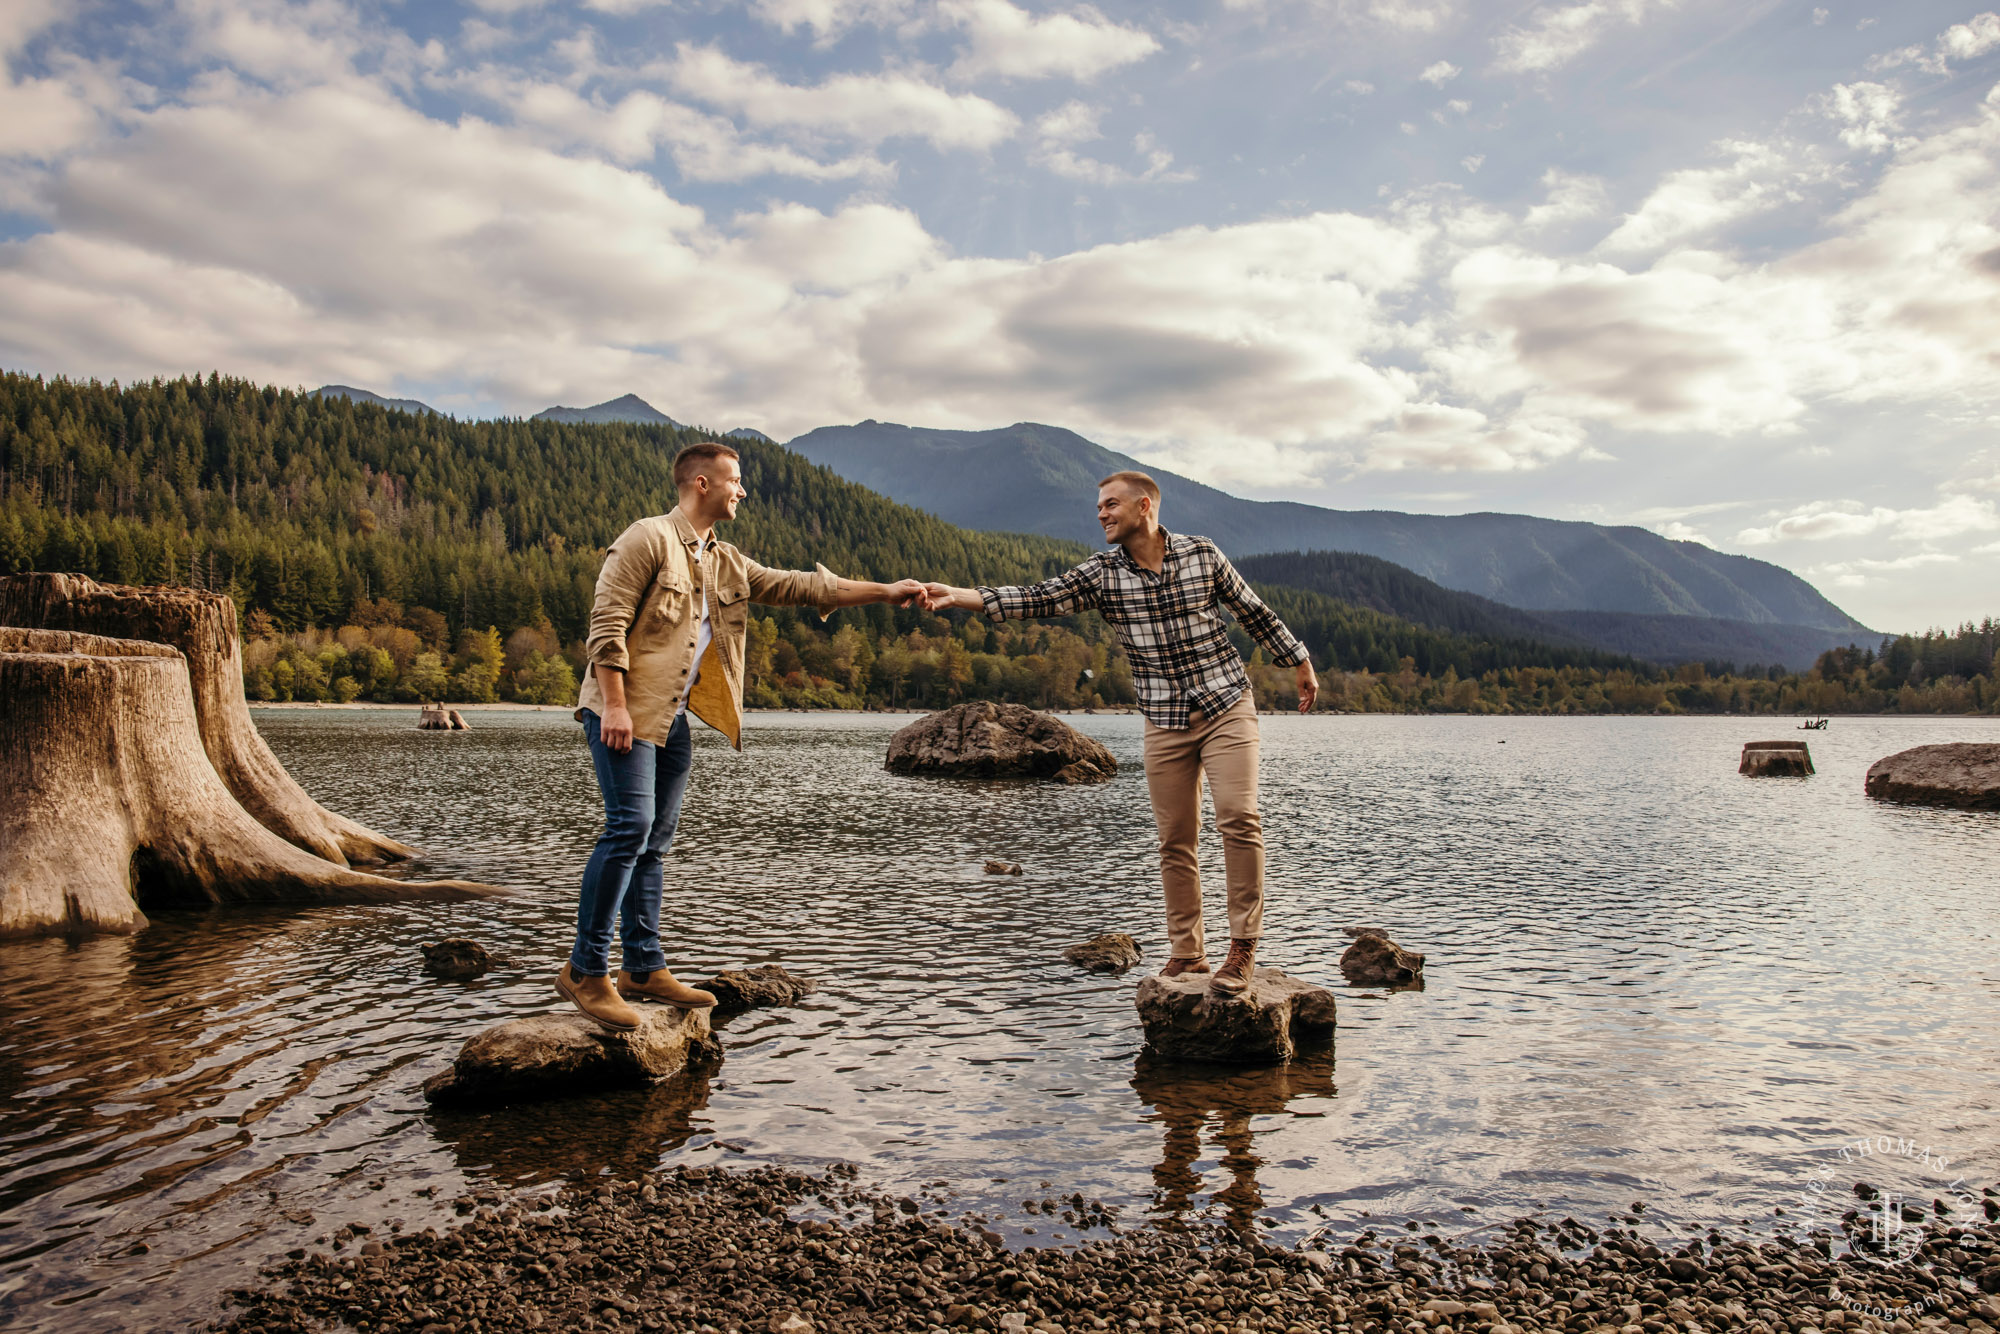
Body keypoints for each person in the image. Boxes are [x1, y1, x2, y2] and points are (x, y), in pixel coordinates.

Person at [561, 440, 925, 1031]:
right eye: (735, 480)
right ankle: (586, 971)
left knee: (654, 841)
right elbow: (606, 628)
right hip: (625, 713)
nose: (743, 490)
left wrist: (886, 590)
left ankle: (642, 967)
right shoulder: (646, 538)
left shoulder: (725, 560)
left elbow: (807, 587)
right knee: (628, 829)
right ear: (701, 484)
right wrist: (616, 707)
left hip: (674, 721)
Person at [921, 471, 1317, 998]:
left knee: (1239, 818)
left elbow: (1254, 612)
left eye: (1111, 505)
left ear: (1144, 506)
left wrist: (1299, 659)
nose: (1102, 514)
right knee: (1176, 838)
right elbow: (1038, 598)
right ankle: (1187, 952)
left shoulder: (1202, 554)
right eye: (1100, 507)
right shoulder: (1103, 573)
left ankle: (1242, 947)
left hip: (1226, 706)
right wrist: (961, 597)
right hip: (1163, 719)